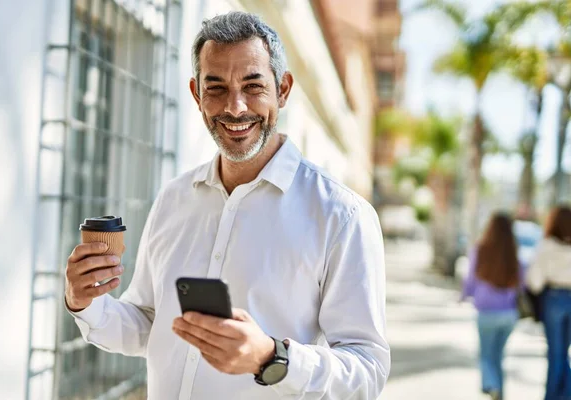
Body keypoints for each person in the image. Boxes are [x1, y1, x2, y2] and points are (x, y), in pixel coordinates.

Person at [63, 11, 390, 400]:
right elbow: (149, 324)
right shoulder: (173, 199)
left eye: (253, 86)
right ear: (196, 93)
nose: (235, 108)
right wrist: (84, 302)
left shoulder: (342, 215)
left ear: (282, 89)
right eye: (215, 87)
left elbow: (367, 370)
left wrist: (272, 358)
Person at [461, 213, 522, 400]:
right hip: (509, 314)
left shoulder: (480, 250)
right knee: (498, 357)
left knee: (486, 355)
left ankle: (492, 386)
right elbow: (522, 283)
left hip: (486, 313)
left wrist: (464, 295)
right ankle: (499, 394)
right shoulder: (513, 252)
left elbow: (470, 279)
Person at [526, 205, 571, 400]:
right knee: (564, 353)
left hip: (553, 299)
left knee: (556, 355)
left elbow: (534, 282)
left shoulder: (547, 246)